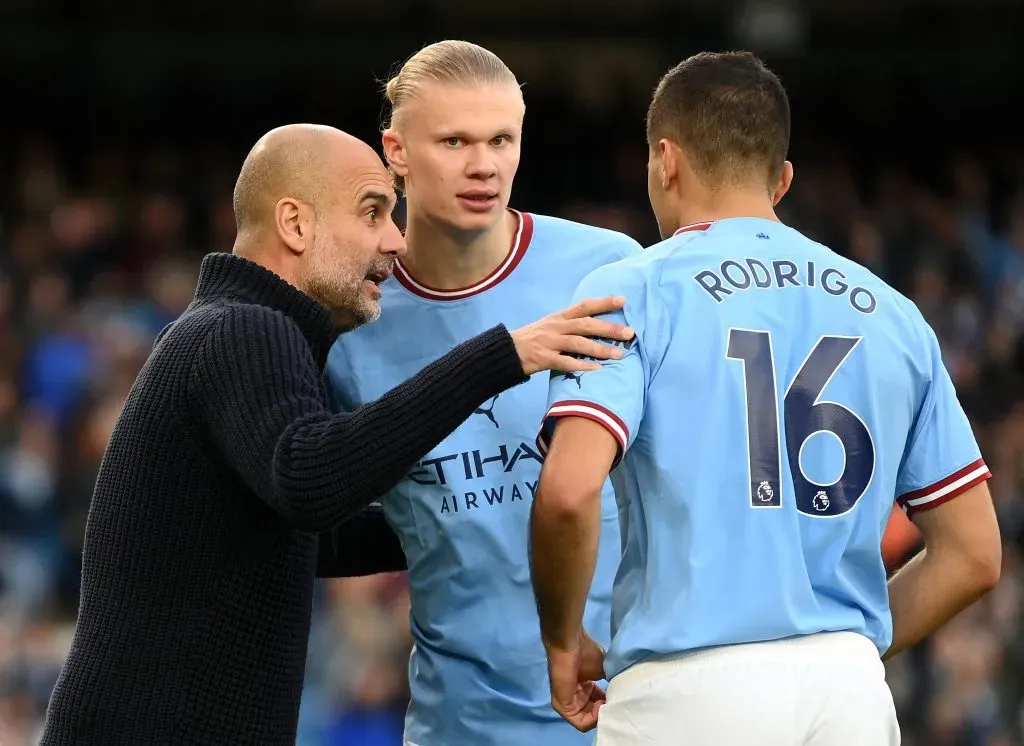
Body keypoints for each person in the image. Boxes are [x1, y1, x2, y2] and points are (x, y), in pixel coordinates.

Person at [40, 123, 634, 746]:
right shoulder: (246, 330)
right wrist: (501, 356)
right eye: (372, 211)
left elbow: (304, 537)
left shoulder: (233, 329)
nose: (396, 241)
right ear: (296, 225)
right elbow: (311, 480)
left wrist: (474, 516)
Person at [529, 51, 1003, 745]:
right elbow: (974, 554)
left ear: (665, 160)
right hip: (848, 695)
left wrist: (563, 642)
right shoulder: (894, 312)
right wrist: (842, 651)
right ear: (781, 179)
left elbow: (569, 493)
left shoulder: (635, 289)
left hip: (685, 684)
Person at [326, 40, 642, 746]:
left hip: (626, 713)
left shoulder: (607, 268)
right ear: (396, 152)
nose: (484, 164)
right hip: (458, 723)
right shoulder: (352, 320)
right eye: (455, 141)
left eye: (502, 139)